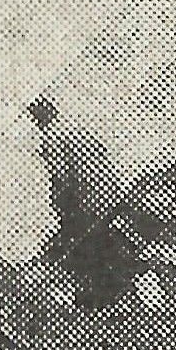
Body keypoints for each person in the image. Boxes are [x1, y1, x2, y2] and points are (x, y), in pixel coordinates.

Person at [29, 96, 142, 311]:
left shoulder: (51, 139)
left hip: (87, 206)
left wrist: (63, 208)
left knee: (83, 254)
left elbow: (61, 179)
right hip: (110, 198)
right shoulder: (78, 127)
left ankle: (100, 301)